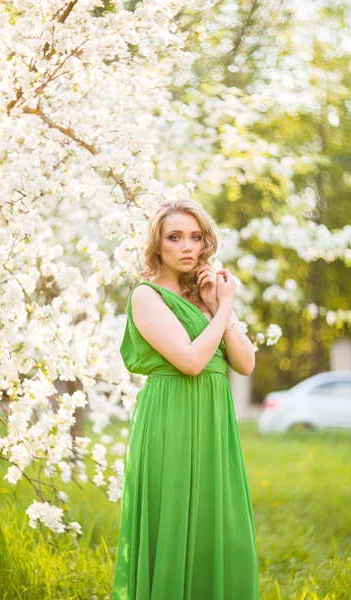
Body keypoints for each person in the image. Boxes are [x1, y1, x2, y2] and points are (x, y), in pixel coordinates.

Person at [112, 198, 259, 600]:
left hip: (213, 420)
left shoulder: (205, 298)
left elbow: (245, 363)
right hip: (171, 418)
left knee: (220, 526)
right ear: (157, 244)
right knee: (175, 523)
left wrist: (217, 307)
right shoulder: (147, 296)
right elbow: (193, 362)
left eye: (195, 237)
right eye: (174, 237)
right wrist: (225, 305)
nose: (187, 246)